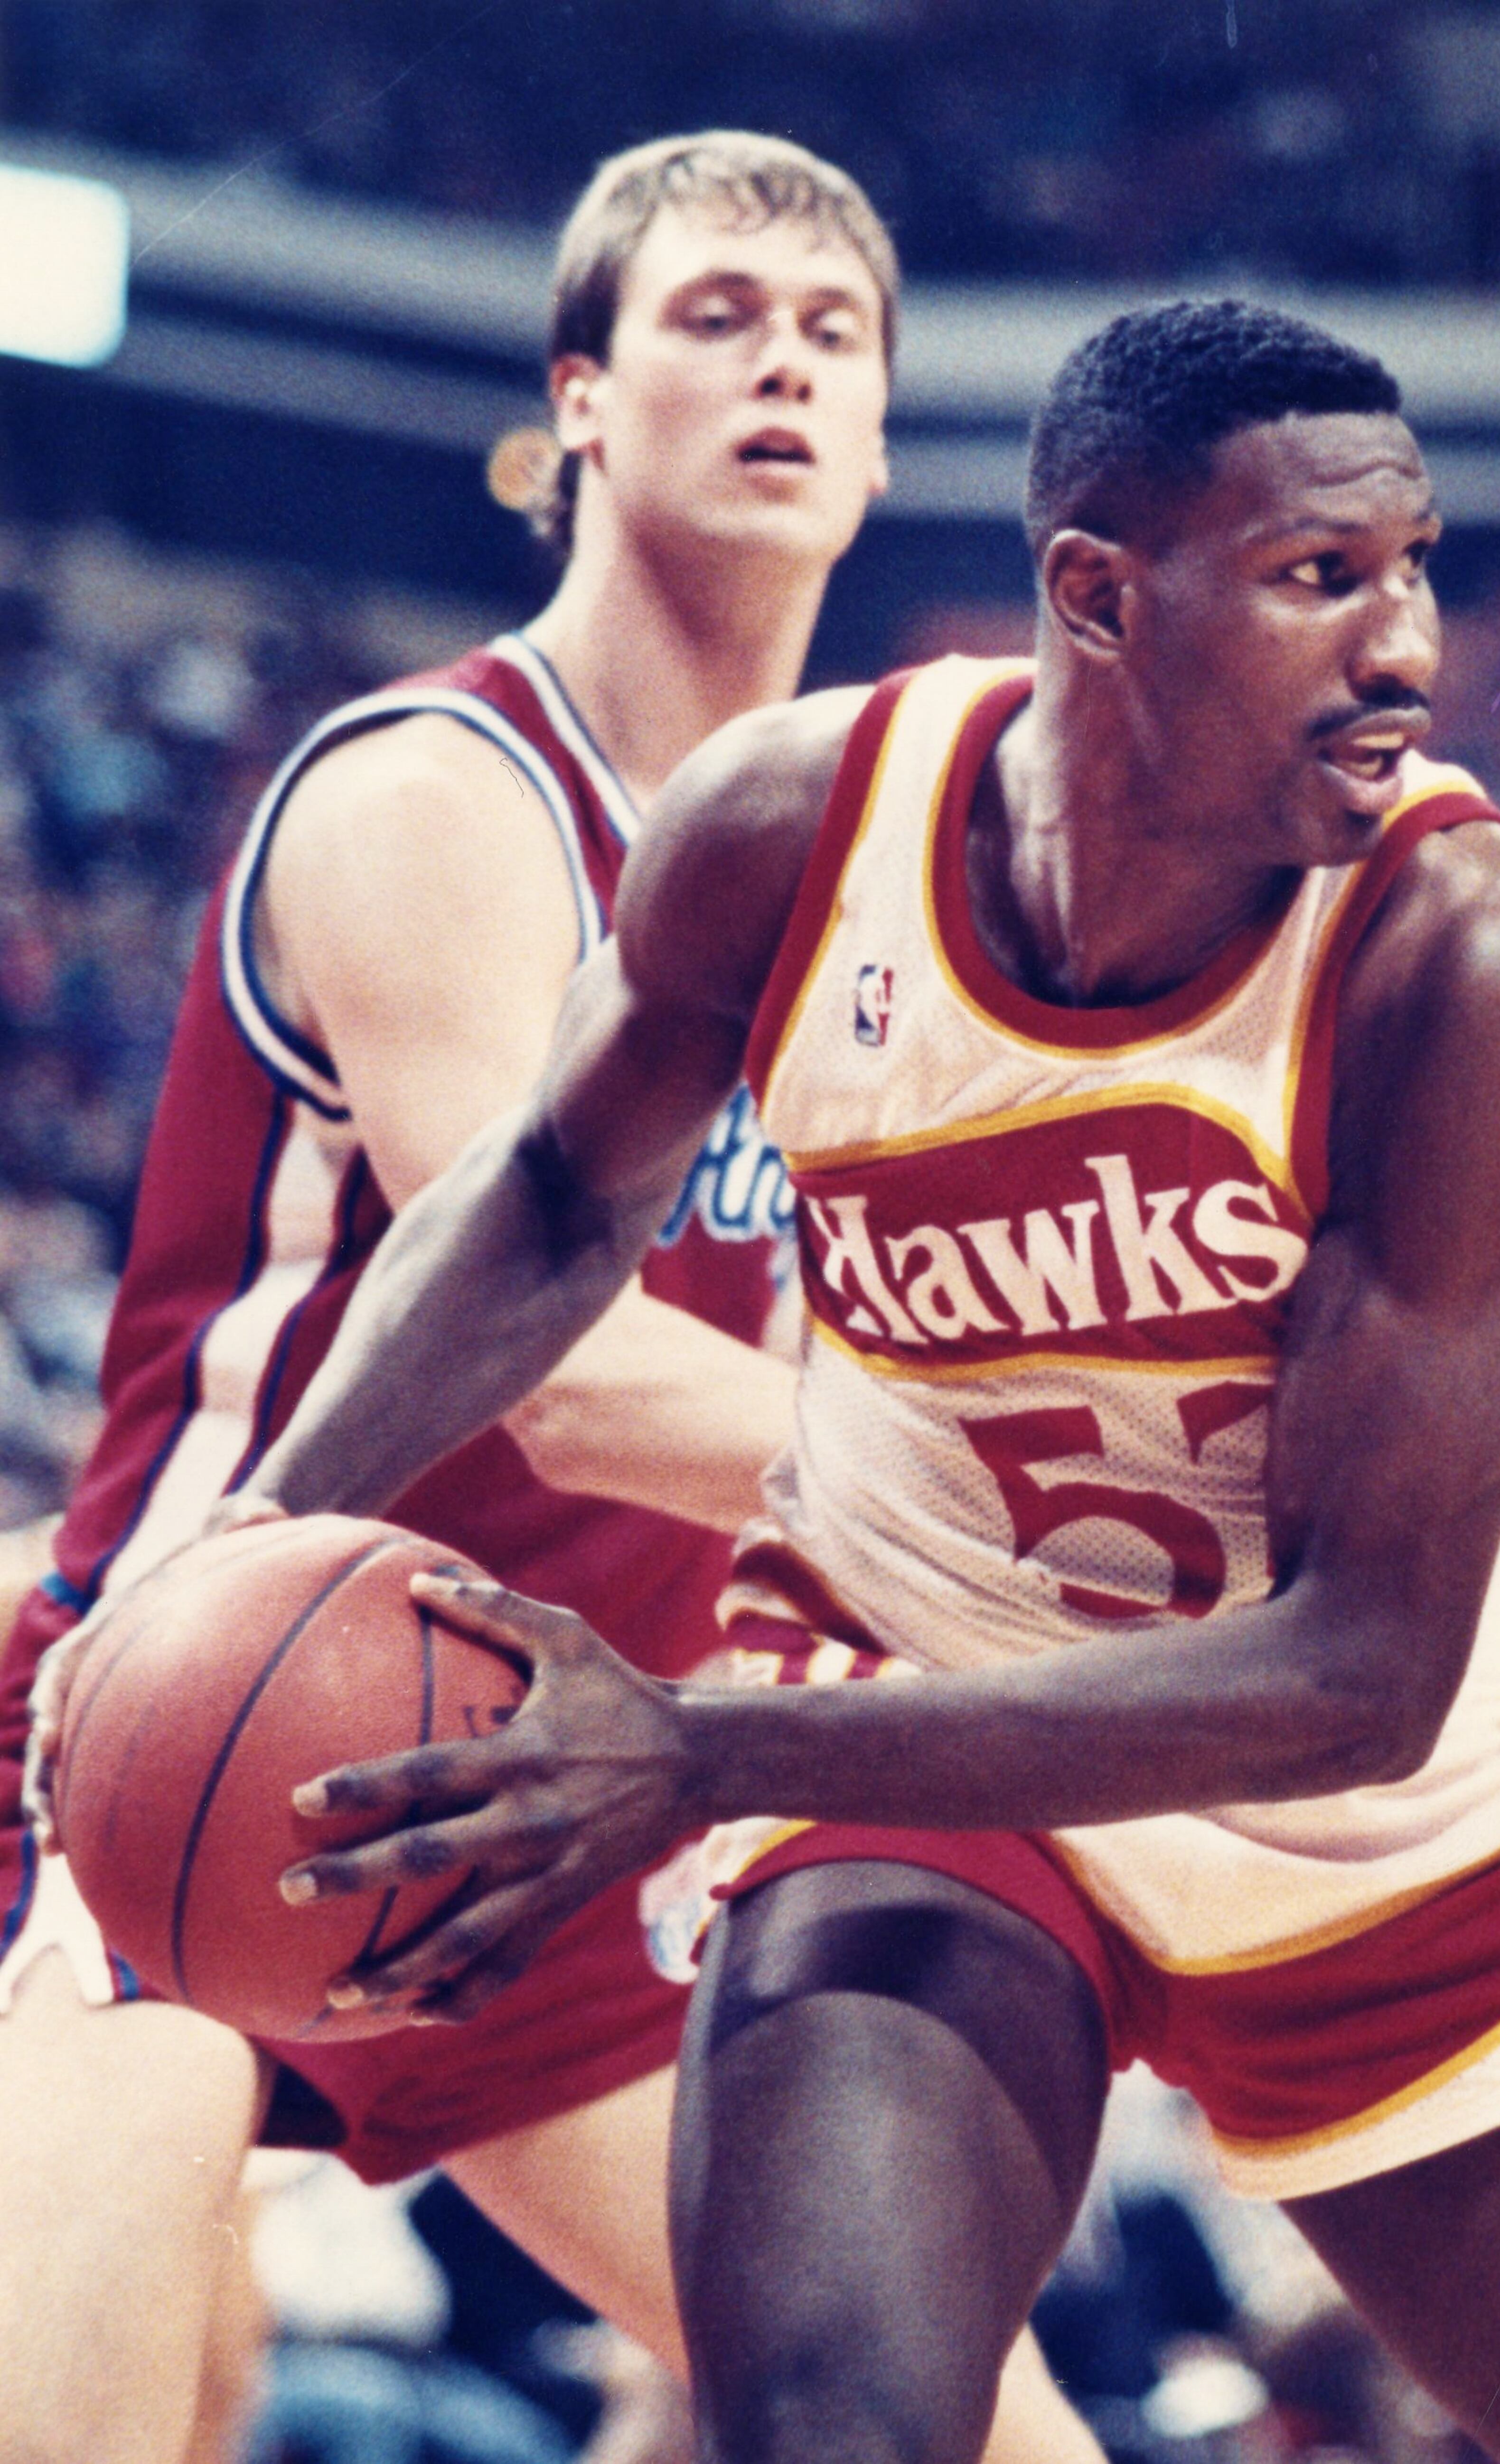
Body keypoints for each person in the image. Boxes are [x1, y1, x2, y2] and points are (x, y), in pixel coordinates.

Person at [50, 297, 1500, 2464]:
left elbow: (1361, 1665)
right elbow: (538, 1208)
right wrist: (255, 1538)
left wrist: (693, 1743)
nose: (1406, 648)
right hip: (910, 1732)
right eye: (1319, 577)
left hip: (1361, 1820)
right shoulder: (801, 825)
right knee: (842, 2428)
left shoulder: (1479, 961)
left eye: (1417, 567)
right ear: (1099, 593)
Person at [4, 131, 1097, 2464]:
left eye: (832, 337)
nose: (783, 365)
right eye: (716, 318)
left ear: (890, 438)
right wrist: (1047, 1505)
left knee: (974, 2430)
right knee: (127, 2400)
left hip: (529, 1808)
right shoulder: (441, 787)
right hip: (196, 1713)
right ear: (580, 401)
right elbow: (578, 1369)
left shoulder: (898, 895)